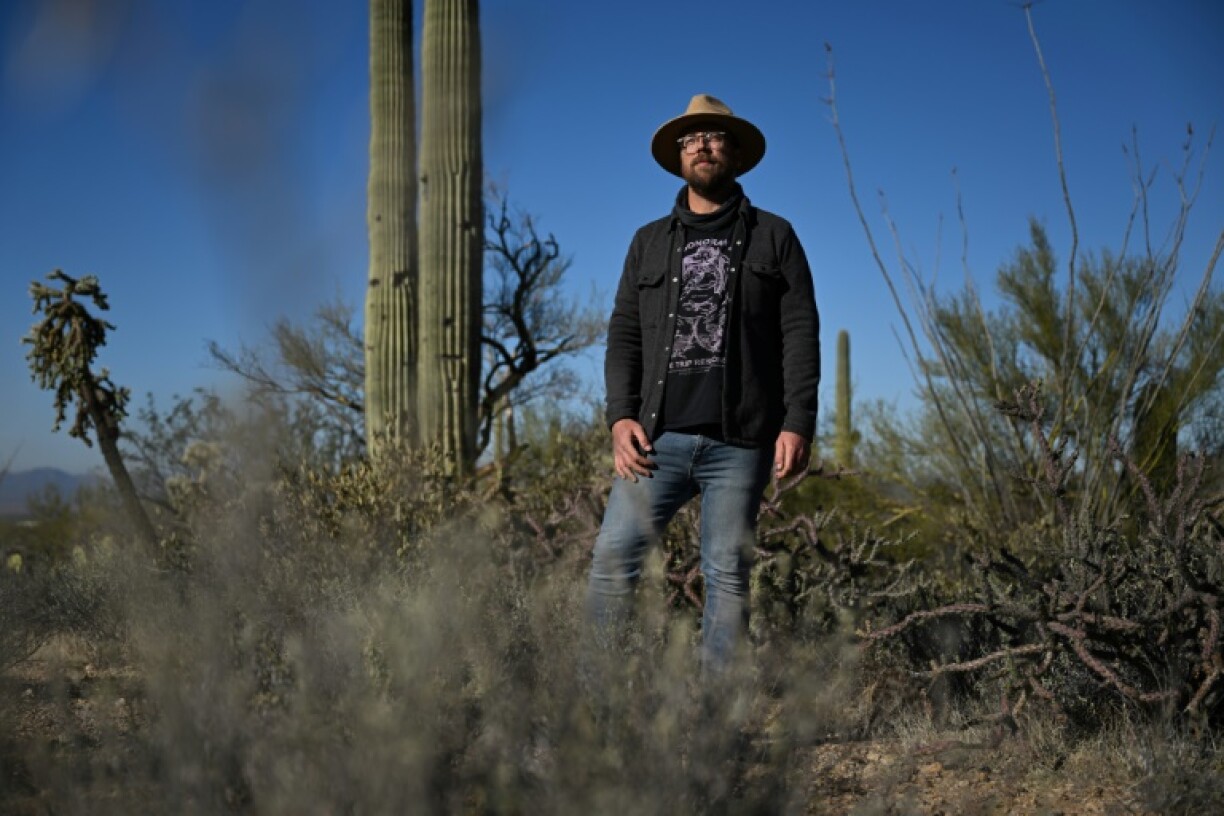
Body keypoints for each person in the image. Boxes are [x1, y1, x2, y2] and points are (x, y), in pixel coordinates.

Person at [588, 94, 821, 672]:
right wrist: (620, 416)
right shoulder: (648, 241)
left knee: (727, 578)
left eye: (715, 136)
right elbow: (624, 333)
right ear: (679, 155)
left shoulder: (775, 236)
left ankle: (716, 731)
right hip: (654, 439)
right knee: (613, 563)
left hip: (740, 439)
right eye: (692, 139)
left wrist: (797, 422)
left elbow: (800, 331)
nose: (703, 146)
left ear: (735, 153)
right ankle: (593, 720)